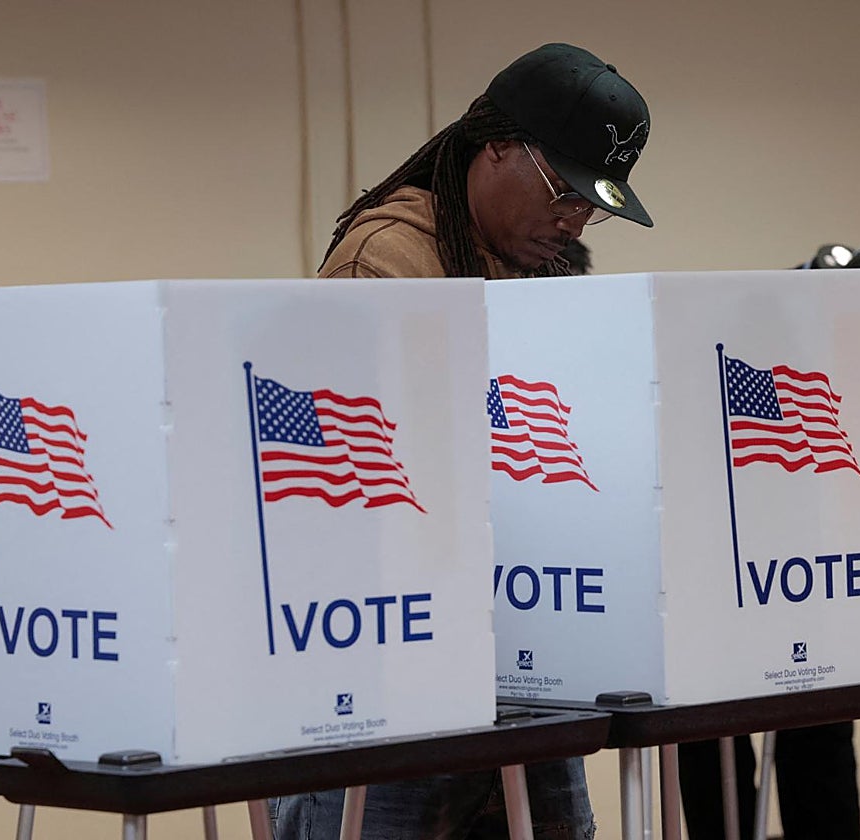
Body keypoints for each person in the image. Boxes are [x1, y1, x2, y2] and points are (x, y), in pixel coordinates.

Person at [274, 43, 654, 839]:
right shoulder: (386, 262)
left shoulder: (537, 271)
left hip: (522, 665)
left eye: (595, 204)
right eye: (565, 192)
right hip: (390, 691)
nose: (577, 218)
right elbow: (361, 502)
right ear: (497, 148)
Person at [678, 243, 860, 840]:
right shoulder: (760, 316)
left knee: (816, 716)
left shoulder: (840, 323)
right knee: (715, 725)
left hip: (809, 561)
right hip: (721, 554)